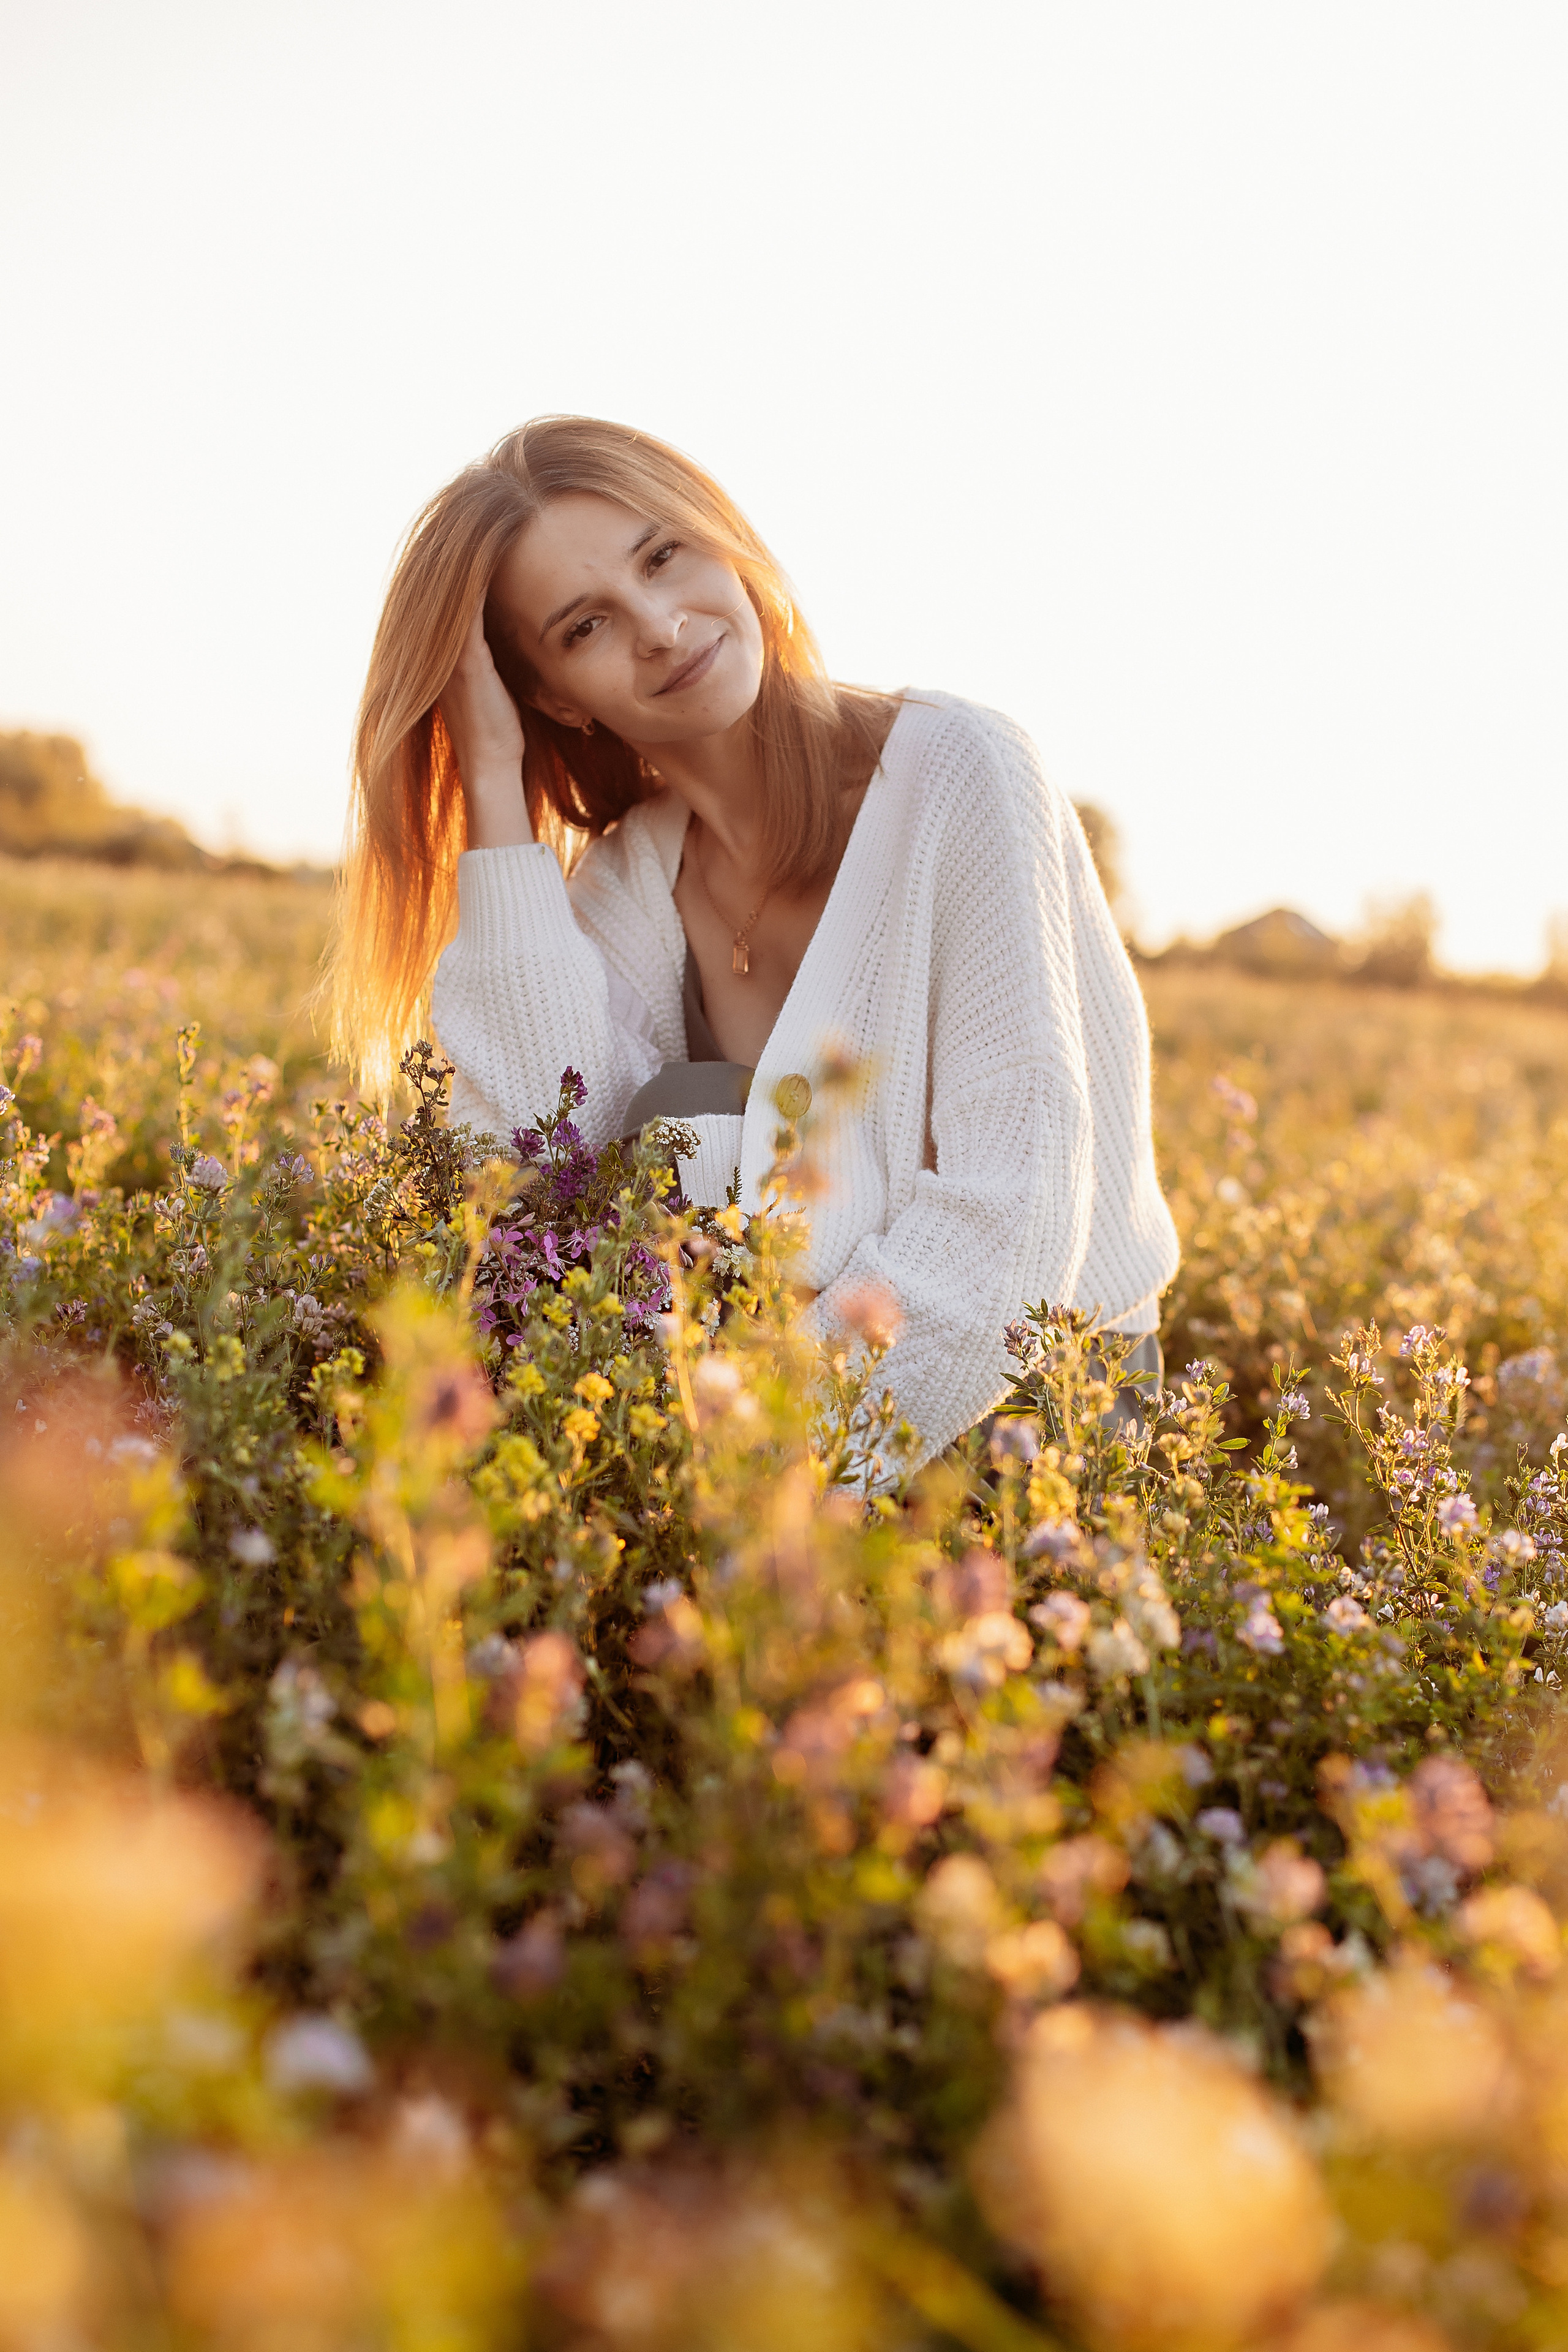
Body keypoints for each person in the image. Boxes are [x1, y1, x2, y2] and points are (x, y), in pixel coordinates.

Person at [330, 415, 1178, 1472]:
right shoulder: (633, 877)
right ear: (549, 694)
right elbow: (545, 1168)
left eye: (663, 556)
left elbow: (1013, 1228)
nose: (656, 625)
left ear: (722, 538)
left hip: (1028, 1409)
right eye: (584, 626)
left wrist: (750, 1479)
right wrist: (493, 785)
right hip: (763, 1413)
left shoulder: (962, 773)